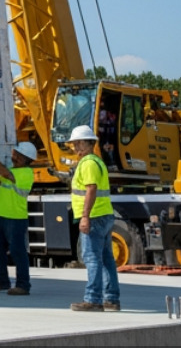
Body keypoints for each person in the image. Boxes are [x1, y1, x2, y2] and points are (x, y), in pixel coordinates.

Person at [66, 124, 118, 312]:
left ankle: (93, 299)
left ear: (85, 144)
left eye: (77, 143)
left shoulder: (87, 163)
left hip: (94, 217)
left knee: (92, 258)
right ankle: (111, 299)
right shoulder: (96, 161)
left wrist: (85, 216)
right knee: (106, 259)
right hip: (103, 215)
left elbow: (91, 189)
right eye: (74, 144)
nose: (75, 147)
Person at [0, 140, 38, 296]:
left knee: (17, 251)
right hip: (2, 216)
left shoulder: (25, 173)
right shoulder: (12, 170)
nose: (13, 155)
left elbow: (5, 174)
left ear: (22, 157)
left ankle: (23, 285)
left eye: (16, 153)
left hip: (15, 218)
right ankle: (2, 281)